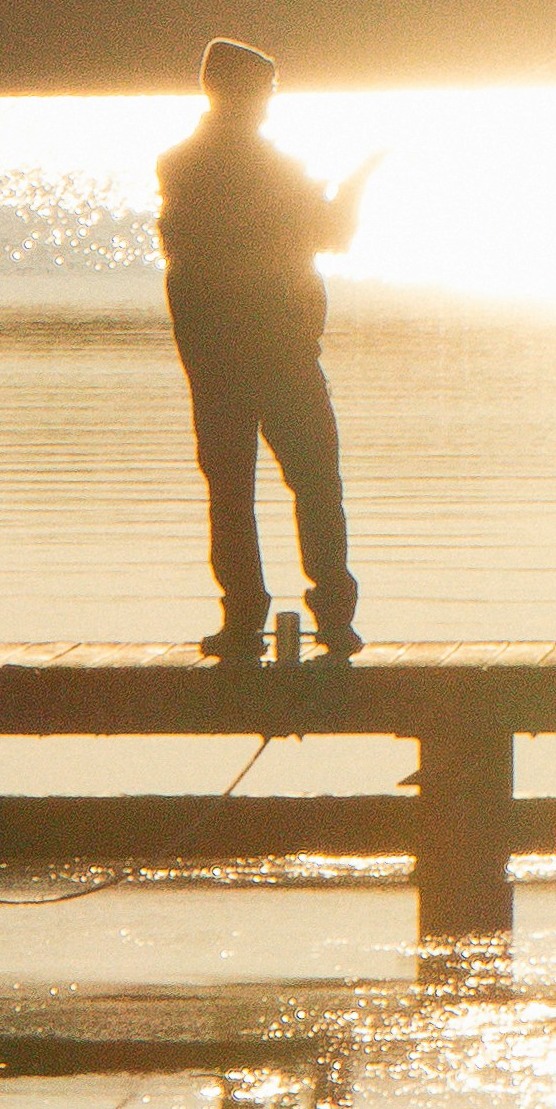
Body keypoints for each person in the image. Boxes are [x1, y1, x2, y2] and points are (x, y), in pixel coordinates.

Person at [151, 37, 369, 663]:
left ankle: (246, 621)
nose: (269, 105)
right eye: (264, 93)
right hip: (277, 355)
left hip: (220, 358)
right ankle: (331, 618)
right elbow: (332, 235)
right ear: (238, 93)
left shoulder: (181, 165)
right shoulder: (260, 169)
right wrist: (356, 183)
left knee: (234, 488)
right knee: (314, 483)